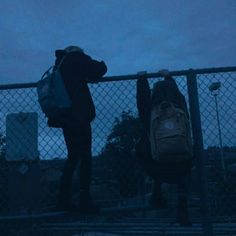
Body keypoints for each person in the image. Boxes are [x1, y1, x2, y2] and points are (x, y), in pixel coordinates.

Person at [49, 45, 107, 214]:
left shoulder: (59, 65)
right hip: (79, 116)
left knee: (73, 157)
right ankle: (84, 199)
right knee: (86, 157)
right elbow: (98, 69)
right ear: (77, 51)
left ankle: (63, 199)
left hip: (65, 117)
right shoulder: (76, 58)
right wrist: (95, 62)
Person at [135, 70, 193, 226]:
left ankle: (157, 192)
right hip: (181, 169)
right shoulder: (181, 110)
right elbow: (178, 95)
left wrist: (142, 79)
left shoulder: (150, 112)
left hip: (158, 168)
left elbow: (142, 100)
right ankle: (182, 204)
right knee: (189, 148)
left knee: (142, 147)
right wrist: (168, 77)